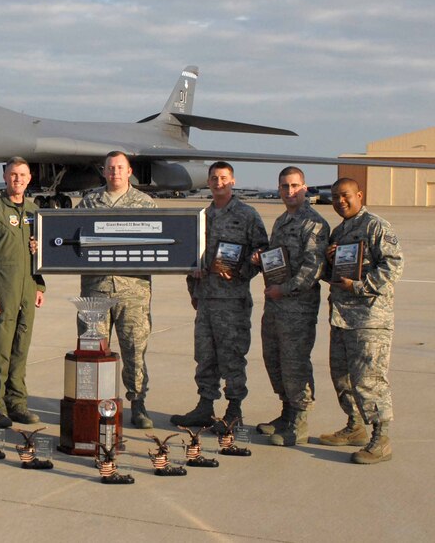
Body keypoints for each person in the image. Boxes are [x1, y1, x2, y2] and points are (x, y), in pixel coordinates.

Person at [171, 161, 268, 430]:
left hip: (233, 300)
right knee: (204, 357)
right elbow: (189, 254)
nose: (218, 183)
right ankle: (205, 406)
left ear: (233, 181)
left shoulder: (247, 215)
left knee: (232, 357)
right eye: (214, 178)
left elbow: (263, 253)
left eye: (223, 178)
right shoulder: (201, 217)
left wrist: (241, 270)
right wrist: (194, 283)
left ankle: (234, 410)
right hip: (205, 300)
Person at [320, 178, 402, 464]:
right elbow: (331, 276)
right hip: (341, 319)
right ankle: (354, 426)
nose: (340, 201)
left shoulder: (376, 226)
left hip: (369, 319)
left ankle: (381, 439)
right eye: (335, 197)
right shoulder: (339, 231)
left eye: (345, 196)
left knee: (369, 380)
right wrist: (328, 260)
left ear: (359, 195)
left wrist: (358, 286)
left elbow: (392, 267)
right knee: (341, 378)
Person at [77, 151, 157, 428]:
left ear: (129, 170)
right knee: (93, 351)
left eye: (120, 168)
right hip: (96, 291)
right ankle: (95, 404)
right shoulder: (89, 203)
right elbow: (71, 237)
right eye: (110, 168)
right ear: (104, 171)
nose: (115, 173)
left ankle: (138, 403)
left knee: (134, 349)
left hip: (133, 292)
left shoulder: (145, 204)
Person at [250, 167, 329, 446]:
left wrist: (282, 290)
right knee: (275, 360)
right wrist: (261, 260)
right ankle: (286, 411)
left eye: (295, 185)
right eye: (284, 186)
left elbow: (312, 270)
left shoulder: (315, 224)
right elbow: (277, 261)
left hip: (297, 307)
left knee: (295, 363)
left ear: (305, 188)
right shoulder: (282, 222)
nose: (289, 191)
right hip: (275, 306)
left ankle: (299, 420)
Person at [0, 157, 45, 427]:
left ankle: (17, 404)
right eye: (13, 174)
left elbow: (40, 253)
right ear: (4, 176)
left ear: (29, 178)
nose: (18, 179)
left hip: (27, 289)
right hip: (0, 291)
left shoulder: (34, 210)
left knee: (20, 350)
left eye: (23, 175)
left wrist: (39, 285)